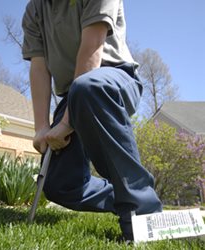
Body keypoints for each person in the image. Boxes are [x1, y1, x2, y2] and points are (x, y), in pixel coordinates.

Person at [22, 0, 162, 242]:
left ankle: (143, 212)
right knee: (60, 185)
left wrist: (66, 123)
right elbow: (39, 67)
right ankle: (123, 196)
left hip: (111, 79)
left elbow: (92, 47)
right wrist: (41, 128)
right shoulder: (35, 8)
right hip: (72, 93)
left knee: (87, 88)